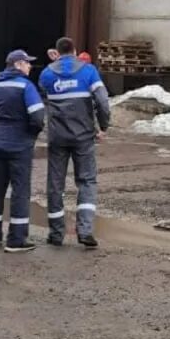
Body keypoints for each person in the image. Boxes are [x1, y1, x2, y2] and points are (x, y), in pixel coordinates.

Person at [39, 37, 110, 248]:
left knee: (55, 184)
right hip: (83, 136)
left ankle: (56, 233)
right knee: (87, 181)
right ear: (76, 51)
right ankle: (85, 231)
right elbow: (103, 102)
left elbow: (43, 95)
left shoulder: (47, 73)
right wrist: (103, 126)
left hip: (58, 137)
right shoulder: (88, 71)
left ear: (58, 52)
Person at [0, 50, 46, 253]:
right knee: (20, 192)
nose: (29, 67)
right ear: (17, 64)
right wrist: (30, 135)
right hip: (20, 146)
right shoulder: (26, 86)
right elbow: (37, 117)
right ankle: (16, 240)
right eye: (27, 63)